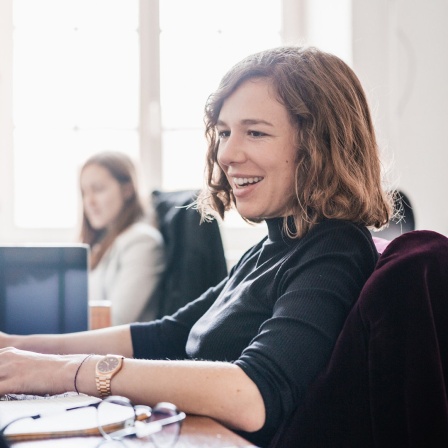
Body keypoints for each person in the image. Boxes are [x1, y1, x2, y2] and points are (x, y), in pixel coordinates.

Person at [0, 46, 393, 448]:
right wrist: (18, 348)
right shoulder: (272, 247)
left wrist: (64, 372)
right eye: (224, 133)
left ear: (319, 144)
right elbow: (168, 334)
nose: (227, 154)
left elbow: (254, 394)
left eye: (255, 132)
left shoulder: (335, 250)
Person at [79, 151, 165, 325]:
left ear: (127, 189)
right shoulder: (101, 241)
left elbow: (114, 321)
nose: (89, 201)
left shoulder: (142, 241)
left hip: (118, 349)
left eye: (98, 189)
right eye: (84, 192)